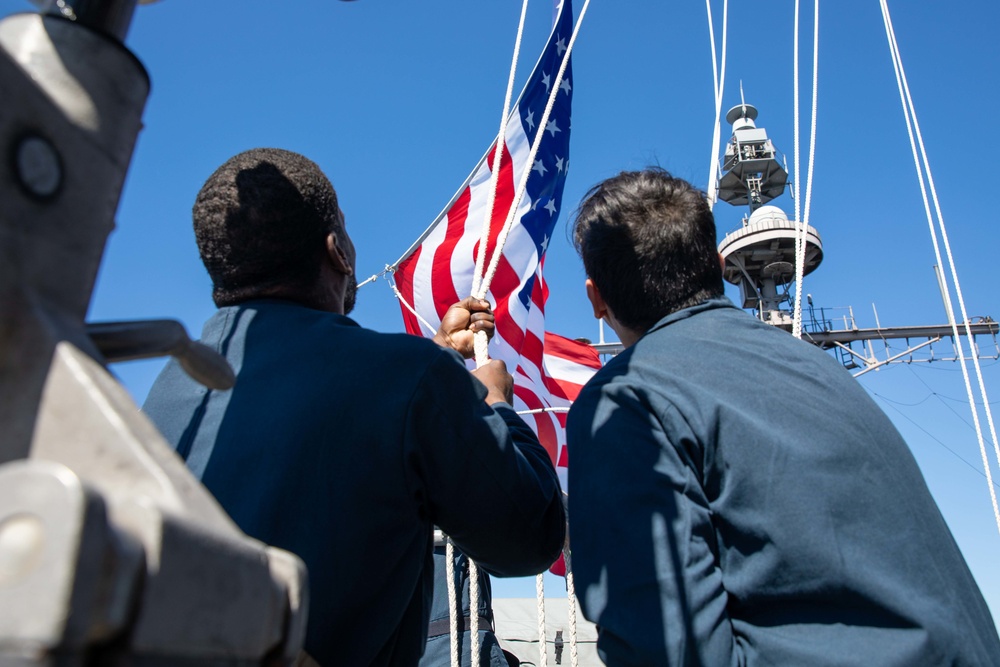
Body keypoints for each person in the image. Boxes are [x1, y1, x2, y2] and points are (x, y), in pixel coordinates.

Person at [142, 148, 565, 666]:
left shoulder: (166, 392)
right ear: (337, 251)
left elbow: (312, 407)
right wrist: (495, 401)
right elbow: (527, 538)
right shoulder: (406, 381)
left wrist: (430, 358)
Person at [565, 168, 1000, 666]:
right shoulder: (817, 369)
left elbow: (669, 650)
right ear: (715, 262)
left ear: (596, 298)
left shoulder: (626, 399)